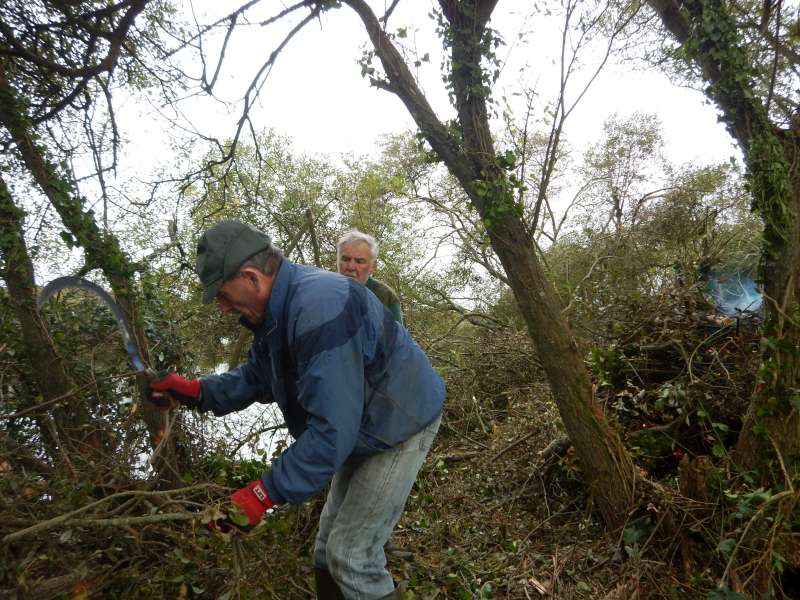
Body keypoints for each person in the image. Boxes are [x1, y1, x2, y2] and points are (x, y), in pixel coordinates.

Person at [149, 220, 444, 600]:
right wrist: (197, 392)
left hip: (400, 420)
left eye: (222, 294)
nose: (223, 308)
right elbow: (258, 375)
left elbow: (332, 431)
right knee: (325, 550)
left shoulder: (319, 307)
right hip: (361, 420)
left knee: (351, 556)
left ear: (251, 277)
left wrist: (262, 494)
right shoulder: (279, 308)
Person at [337, 230, 403, 324]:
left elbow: (395, 333)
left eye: (359, 261)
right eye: (345, 259)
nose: (351, 267)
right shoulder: (323, 289)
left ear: (373, 266)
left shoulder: (386, 296)